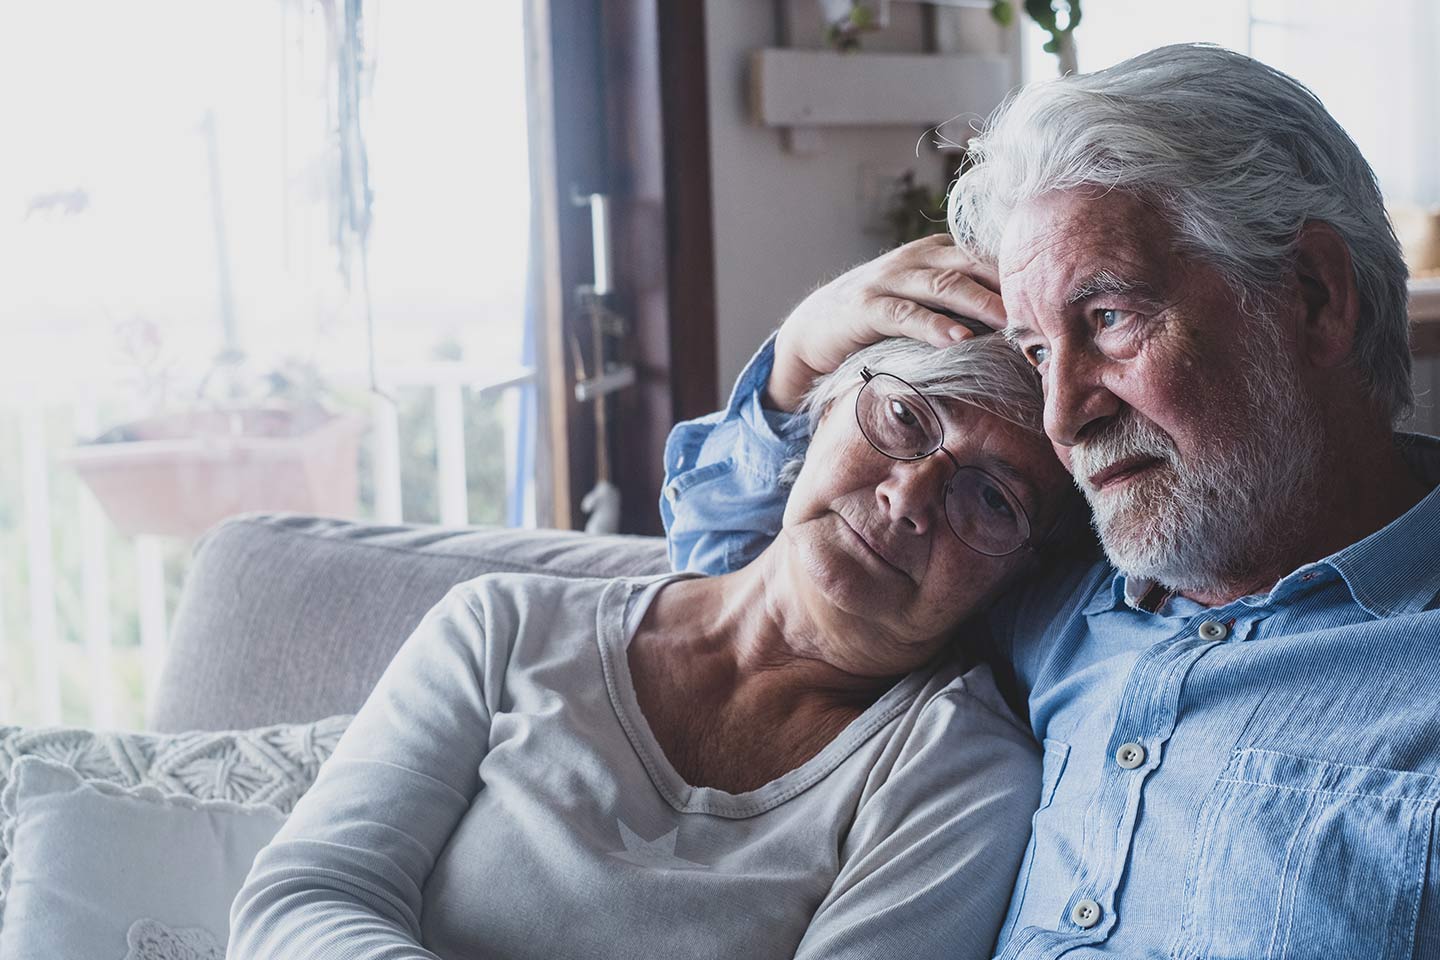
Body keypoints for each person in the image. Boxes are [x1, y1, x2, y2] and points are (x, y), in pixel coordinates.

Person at [663, 43, 1440, 958]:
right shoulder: (1050, 592)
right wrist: (798, 356)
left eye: (1108, 318)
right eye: (1037, 353)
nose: (1064, 415)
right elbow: (738, 579)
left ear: (1312, 296)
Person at [227, 334, 1080, 959]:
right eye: (902, 416)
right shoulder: (501, 629)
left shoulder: (960, 774)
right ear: (823, 414)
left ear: (1021, 579)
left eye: (993, 500)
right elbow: (303, 900)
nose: (912, 495)